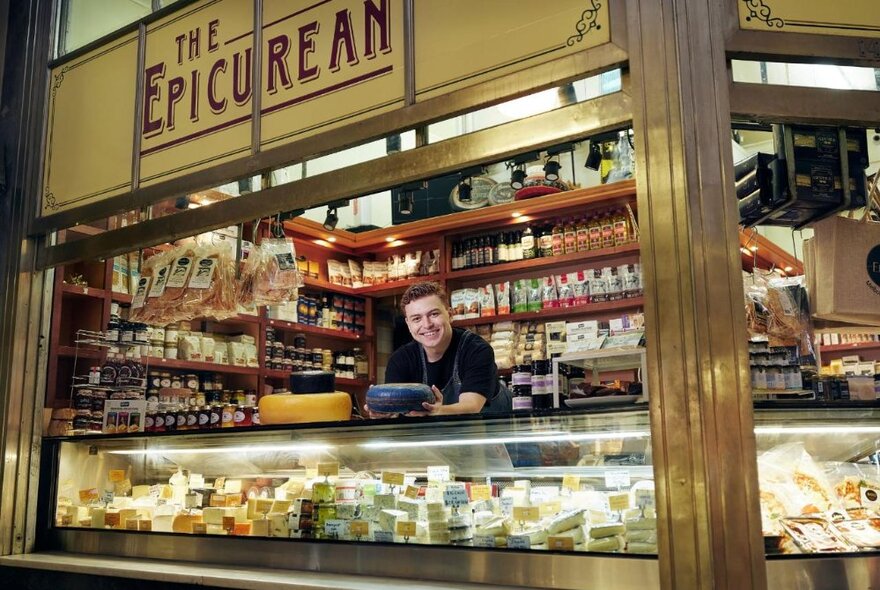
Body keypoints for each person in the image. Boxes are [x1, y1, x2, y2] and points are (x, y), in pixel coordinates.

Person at [367, 281, 511, 417]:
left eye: (434, 314)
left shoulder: (476, 350)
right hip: (438, 439)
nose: (427, 324)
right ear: (408, 324)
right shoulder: (401, 359)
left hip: (497, 436)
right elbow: (395, 412)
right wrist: (381, 411)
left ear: (450, 314)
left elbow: (471, 407)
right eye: (417, 318)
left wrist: (437, 411)